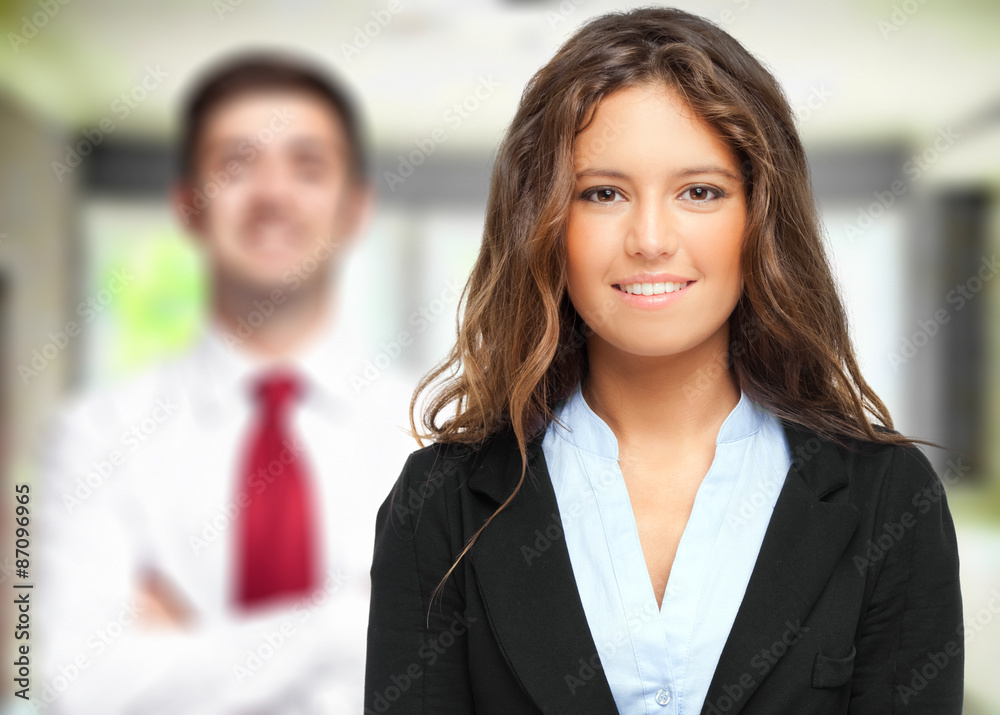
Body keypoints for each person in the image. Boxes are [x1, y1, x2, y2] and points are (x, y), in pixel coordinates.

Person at [364, 8, 964, 714]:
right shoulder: (439, 504)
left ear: (759, 218)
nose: (650, 239)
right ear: (546, 223)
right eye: (603, 193)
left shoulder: (889, 498)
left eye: (699, 192)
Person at [35, 52, 414, 714]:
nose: (273, 196)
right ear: (187, 204)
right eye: (237, 166)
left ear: (355, 209)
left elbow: (469, 677)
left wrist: (188, 645)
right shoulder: (95, 436)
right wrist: (347, 622)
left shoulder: (443, 430)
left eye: (308, 167)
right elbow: (76, 682)